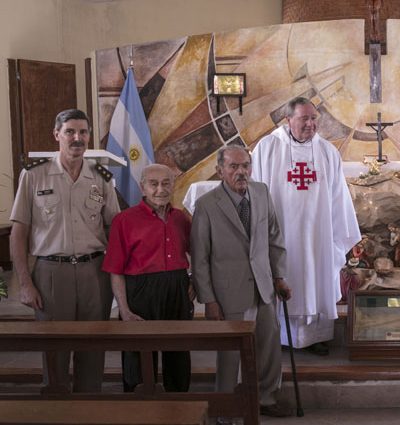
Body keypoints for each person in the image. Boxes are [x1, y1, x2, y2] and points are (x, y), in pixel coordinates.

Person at [9, 108, 120, 392]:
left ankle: (89, 405)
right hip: (50, 272)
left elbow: (114, 230)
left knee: (93, 347)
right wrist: (24, 283)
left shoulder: (102, 177)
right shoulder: (34, 176)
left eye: (83, 132)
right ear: (57, 135)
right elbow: (18, 232)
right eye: (70, 131)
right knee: (54, 348)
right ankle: (56, 408)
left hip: (93, 272)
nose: (77, 138)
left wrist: (117, 279)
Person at [251, 97, 361, 356]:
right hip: (282, 234)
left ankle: (317, 337)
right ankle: (280, 337)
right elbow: (255, 193)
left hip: (318, 235)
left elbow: (338, 196)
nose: (311, 124)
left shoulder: (327, 151)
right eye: (304, 119)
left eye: (314, 119)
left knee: (317, 278)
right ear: (288, 120)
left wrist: (341, 235)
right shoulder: (267, 148)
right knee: (285, 275)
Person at [191, 146, 293, 420]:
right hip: (229, 292)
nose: (241, 172)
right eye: (234, 166)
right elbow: (200, 259)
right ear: (220, 170)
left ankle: (267, 398)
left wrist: (279, 277)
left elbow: (274, 238)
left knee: (269, 345)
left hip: (264, 288)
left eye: (245, 166)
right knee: (230, 356)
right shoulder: (207, 205)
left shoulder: (261, 193)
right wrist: (209, 300)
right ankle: (224, 409)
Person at [102, 164, 194, 392]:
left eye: (166, 183)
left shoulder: (181, 218)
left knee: (179, 354)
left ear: (173, 186)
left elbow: (198, 254)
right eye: (154, 184)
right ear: (142, 187)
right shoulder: (124, 220)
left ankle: (180, 407)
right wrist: (124, 310)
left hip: (177, 290)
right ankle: (139, 409)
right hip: (141, 293)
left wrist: (193, 284)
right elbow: (115, 270)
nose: (160, 189)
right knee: (138, 358)